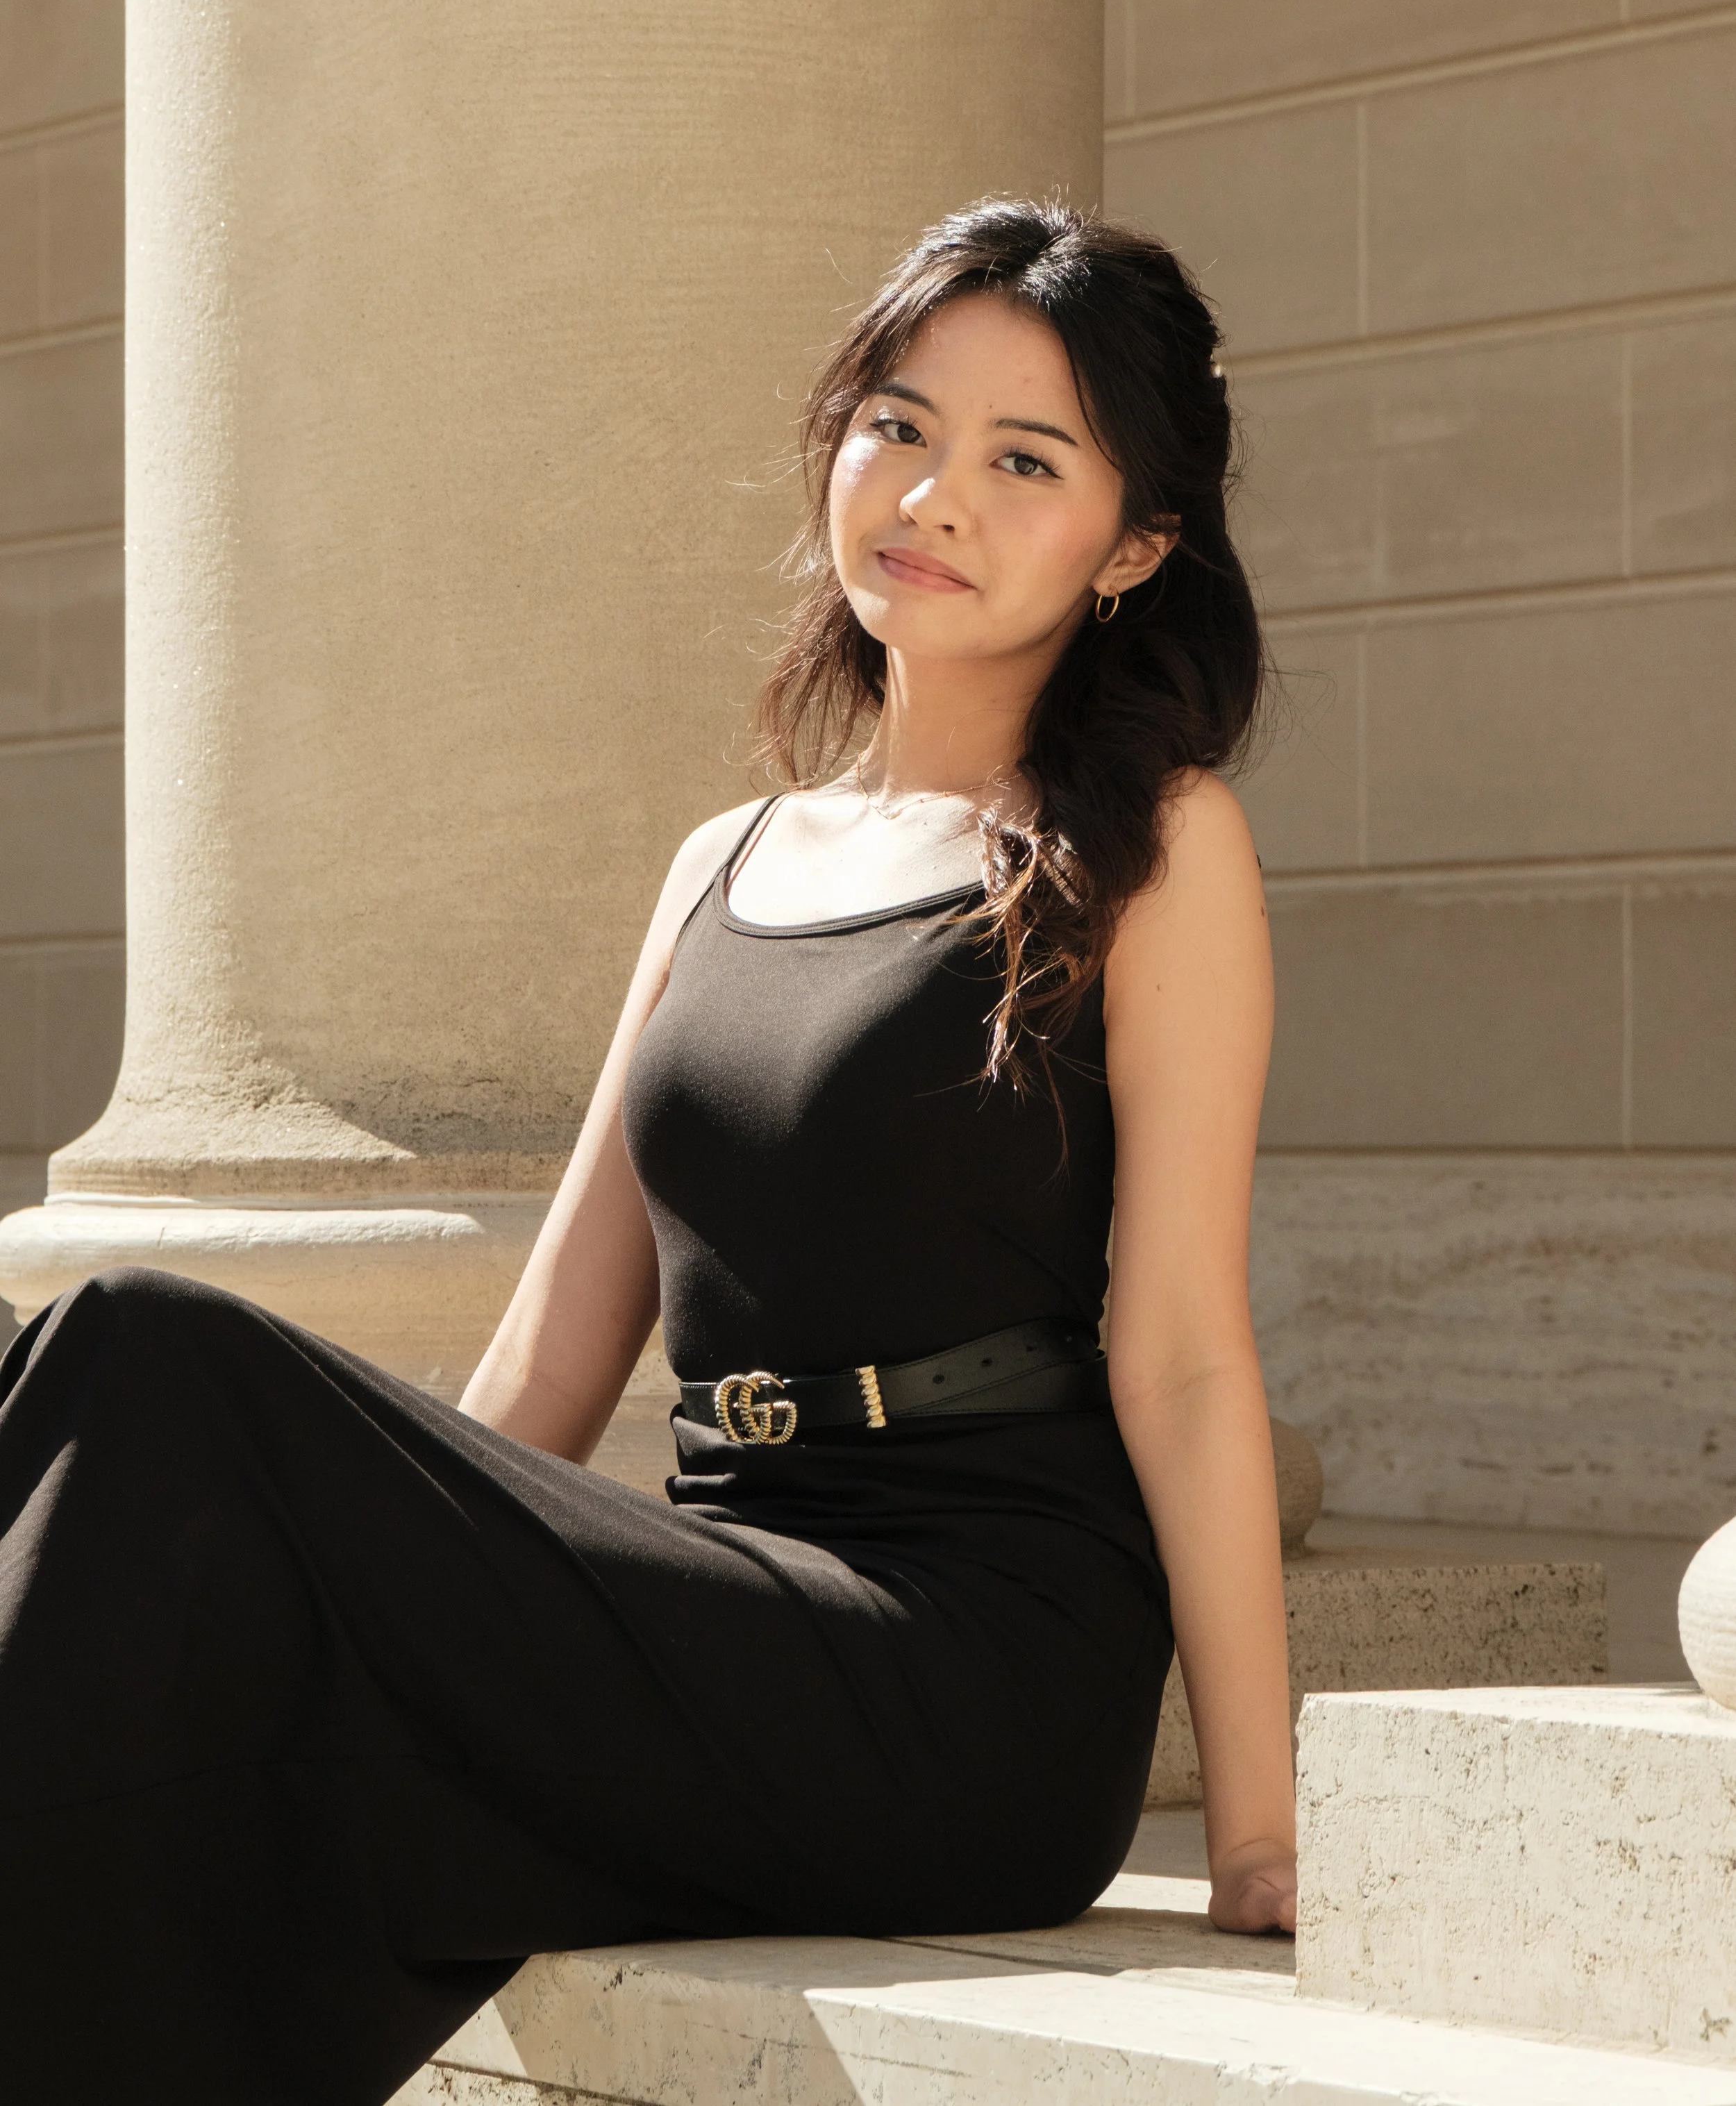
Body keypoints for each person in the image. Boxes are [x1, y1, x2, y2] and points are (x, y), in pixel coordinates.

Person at [0, 199, 1293, 2106]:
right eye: (899, 424)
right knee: (123, 1473)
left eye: (1025, 461)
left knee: (139, 1341)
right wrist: (386, 1569)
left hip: (963, 1671)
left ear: (1135, 547)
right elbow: (549, 1357)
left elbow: (1177, 1354)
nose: (933, 494)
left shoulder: (1150, 850)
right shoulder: (725, 862)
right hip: (718, 1589)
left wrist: (1257, 1824)